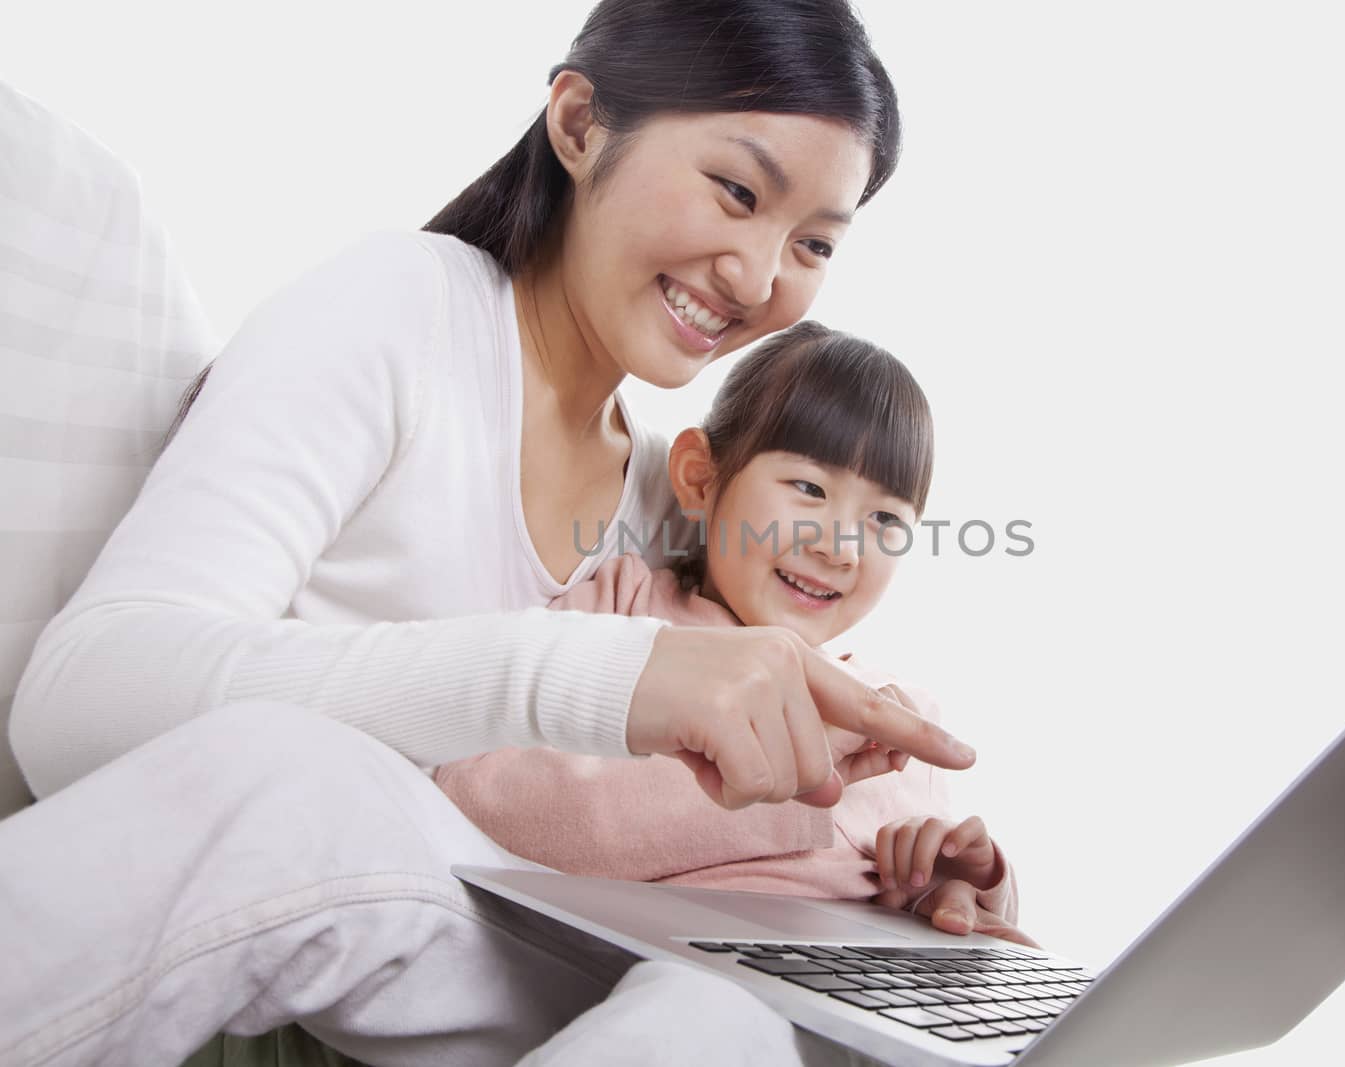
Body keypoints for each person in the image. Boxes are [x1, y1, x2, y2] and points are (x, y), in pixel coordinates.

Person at [0, 2, 980, 1065]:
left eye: (812, 243)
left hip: (556, 979)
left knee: (722, 1022)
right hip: (324, 943)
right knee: (299, 779)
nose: (755, 275)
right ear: (578, 123)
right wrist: (592, 677)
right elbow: (73, 706)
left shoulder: (673, 503)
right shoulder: (401, 313)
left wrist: (921, 882)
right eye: (735, 191)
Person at [434, 322, 1031, 945]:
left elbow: (948, 905)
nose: (840, 547)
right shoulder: (621, 615)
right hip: (681, 978)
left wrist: (965, 883)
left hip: (853, 998)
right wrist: (777, 784)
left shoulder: (893, 715)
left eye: (883, 518)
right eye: (808, 488)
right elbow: (478, 802)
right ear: (698, 479)